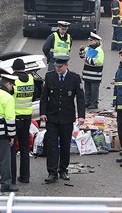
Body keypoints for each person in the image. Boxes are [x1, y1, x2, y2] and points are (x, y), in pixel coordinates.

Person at [40, 56, 85, 184]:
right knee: (52, 145)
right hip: (52, 117)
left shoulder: (75, 78)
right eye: (56, 66)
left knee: (65, 145)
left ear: (66, 65)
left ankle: (63, 169)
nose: (57, 69)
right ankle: (52, 172)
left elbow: (80, 98)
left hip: (66, 117)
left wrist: (81, 115)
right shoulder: (50, 77)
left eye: (60, 67)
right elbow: (44, 97)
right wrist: (43, 113)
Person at [11, 59, 34, 184]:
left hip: (14, 117)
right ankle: (25, 177)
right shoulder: (30, 78)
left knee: (12, 148)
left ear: (13, 69)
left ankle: (12, 178)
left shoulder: (13, 80)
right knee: (25, 148)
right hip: (27, 117)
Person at [79, 32, 105, 110]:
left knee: (94, 91)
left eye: (91, 40)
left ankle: (94, 103)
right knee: (87, 90)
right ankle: (87, 102)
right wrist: (81, 50)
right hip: (87, 74)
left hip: (95, 75)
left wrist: (86, 59)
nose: (89, 42)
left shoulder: (99, 50)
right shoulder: (88, 48)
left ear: (96, 41)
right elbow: (82, 56)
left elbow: (98, 62)